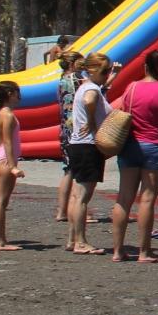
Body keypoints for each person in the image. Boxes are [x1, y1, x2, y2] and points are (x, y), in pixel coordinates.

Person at [111, 49, 158, 263]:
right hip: (154, 147)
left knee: (124, 198)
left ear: (145, 67)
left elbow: (124, 112)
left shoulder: (131, 87)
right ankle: (144, 252)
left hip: (130, 146)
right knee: (148, 198)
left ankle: (118, 251)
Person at [63, 52, 111, 254]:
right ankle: (81, 242)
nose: (107, 75)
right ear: (92, 70)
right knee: (82, 197)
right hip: (88, 145)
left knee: (77, 196)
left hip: (78, 144)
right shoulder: (91, 89)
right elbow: (90, 101)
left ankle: (72, 239)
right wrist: (92, 121)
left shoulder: (85, 86)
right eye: (105, 71)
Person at [0, 82, 23, 251]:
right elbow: (7, 142)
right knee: (0, 201)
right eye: (17, 92)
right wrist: (13, 166)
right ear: (9, 94)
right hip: (5, 160)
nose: (19, 96)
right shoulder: (7, 115)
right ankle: (0, 241)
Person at [53, 51, 82, 223]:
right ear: (72, 63)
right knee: (78, 171)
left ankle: (62, 210)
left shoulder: (62, 80)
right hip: (75, 129)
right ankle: (77, 209)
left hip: (65, 128)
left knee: (68, 170)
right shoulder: (76, 80)